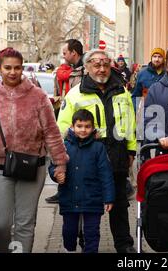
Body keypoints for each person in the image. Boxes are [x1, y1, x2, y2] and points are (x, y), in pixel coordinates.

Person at [0, 47, 69, 253]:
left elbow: (51, 132)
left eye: (17, 68)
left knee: (25, 223)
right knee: (0, 223)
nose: (12, 72)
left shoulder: (38, 97)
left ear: (22, 68)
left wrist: (60, 162)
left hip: (32, 166)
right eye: (7, 67)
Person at [57, 49, 137, 253]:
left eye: (105, 64)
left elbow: (129, 122)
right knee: (87, 205)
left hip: (117, 157)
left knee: (119, 205)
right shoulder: (76, 94)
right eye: (96, 64)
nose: (101, 68)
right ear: (87, 67)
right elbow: (63, 128)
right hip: (86, 160)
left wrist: (131, 150)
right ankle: (85, 242)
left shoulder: (122, 91)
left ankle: (124, 246)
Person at [49, 109, 114, 253]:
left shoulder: (98, 148)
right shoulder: (64, 146)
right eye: (79, 126)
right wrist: (56, 174)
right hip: (69, 197)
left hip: (92, 199)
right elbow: (54, 165)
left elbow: (106, 174)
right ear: (72, 126)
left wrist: (109, 198)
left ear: (92, 128)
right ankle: (69, 249)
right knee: (69, 231)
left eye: (87, 126)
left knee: (92, 233)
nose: (83, 130)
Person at [46, 38, 84, 204]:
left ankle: (76, 193)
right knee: (61, 156)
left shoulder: (84, 72)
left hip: (79, 121)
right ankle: (62, 190)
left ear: (73, 53)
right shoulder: (65, 71)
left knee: (77, 159)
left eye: (65, 53)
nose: (63, 56)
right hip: (63, 116)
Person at [131, 47, 166, 113]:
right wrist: (135, 111)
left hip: (166, 113)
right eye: (154, 56)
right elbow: (136, 95)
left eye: (160, 57)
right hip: (146, 113)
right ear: (151, 58)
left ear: (163, 59)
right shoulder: (142, 73)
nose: (157, 59)